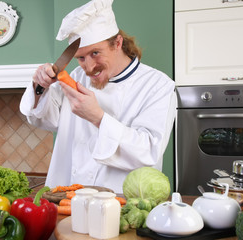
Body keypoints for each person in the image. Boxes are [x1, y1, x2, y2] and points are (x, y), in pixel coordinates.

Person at [20, 0, 177, 193]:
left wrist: (98, 117)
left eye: (95, 53)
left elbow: (149, 151)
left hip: (118, 202)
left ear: (117, 43)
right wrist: (40, 85)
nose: (89, 66)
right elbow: (42, 118)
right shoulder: (75, 77)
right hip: (66, 194)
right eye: (81, 57)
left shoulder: (157, 86)